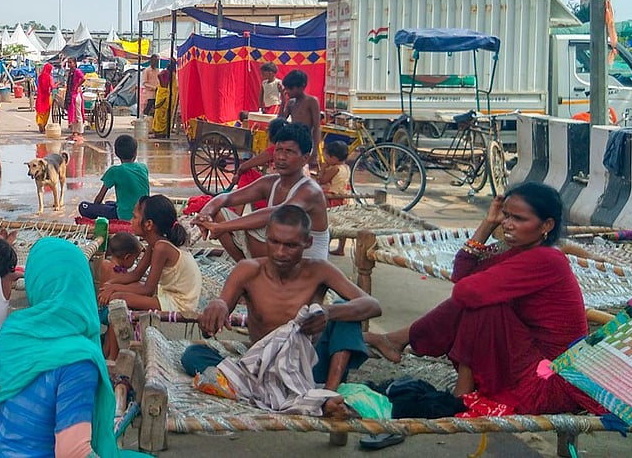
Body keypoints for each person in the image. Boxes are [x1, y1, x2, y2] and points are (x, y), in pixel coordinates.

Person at [363, 183, 604, 415]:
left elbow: (466, 292)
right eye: (506, 215)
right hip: (529, 360)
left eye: (518, 219)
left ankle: (456, 388)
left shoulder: (547, 259)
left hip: (550, 378)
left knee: (483, 302)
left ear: (547, 225)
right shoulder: (520, 250)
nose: (507, 224)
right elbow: (462, 274)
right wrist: (488, 224)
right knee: (482, 298)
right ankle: (401, 342)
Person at [182, 205, 380, 395]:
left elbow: (372, 305)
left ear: (308, 243)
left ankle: (329, 393)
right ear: (266, 237)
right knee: (193, 355)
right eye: (274, 242)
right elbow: (220, 310)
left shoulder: (319, 270)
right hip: (264, 365)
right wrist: (216, 308)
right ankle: (266, 387)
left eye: (290, 245)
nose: (280, 252)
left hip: (311, 367)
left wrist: (328, 312)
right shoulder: (248, 270)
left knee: (346, 311)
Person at [0, 238, 149, 458]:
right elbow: (73, 451)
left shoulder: (14, 334)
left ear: (36, 283)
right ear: (83, 284)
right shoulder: (78, 357)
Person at [193, 123, 332, 262]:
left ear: (305, 158)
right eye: (278, 150)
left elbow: (277, 213)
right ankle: (245, 266)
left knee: (257, 226)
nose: (281, 157)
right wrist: (205, 215)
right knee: (218, 212)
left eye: (289, 152)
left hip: (305, 265)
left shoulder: (310, 190)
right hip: (279, 259)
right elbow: (226, 198)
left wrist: (221, 227)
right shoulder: (270, 182)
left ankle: (255, 269)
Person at [99, 195, 202, 316]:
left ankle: (111, 327)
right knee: (119, 290)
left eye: (135, 217)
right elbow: (135, 274)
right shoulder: (154, 244)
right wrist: (109, 284)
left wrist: (115, 289)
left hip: (180, 304)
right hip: (167, 295)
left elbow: (148, 290)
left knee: (117, 298)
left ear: (148, 224)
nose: (131, 221)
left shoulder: (161, 248)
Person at [78, 134, 149, 221]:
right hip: (143, 214)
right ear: (135, 153)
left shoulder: (114, 171)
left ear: (116, 153)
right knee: (110, 203)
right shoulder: (143, 167)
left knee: (83, 206)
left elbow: (99, 198)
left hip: (123, 215)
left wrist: (96, 208)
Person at [277, 69, 320, 165]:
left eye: (290, 89)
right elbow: (280, 121)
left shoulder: (311, 101)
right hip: (293, 142)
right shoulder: (291, 103)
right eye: (286, 89)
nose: (287, 91)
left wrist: (315, 152)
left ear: (302, 87)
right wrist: (283, 101)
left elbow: (317, 127)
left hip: (306, 142)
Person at [150, 61, 177, 137]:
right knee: (161, 113)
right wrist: (163, 84)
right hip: (164, 94)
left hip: (165, 94)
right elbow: (160, 75)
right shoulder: (166, 72)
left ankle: (162, 131)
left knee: (164, 113)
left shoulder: (172, 74)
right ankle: (159, 131)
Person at [34, 61, 55, 133]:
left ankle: (40, 122)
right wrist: (57, 84)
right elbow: (52, 86)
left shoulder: (40, 77)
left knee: (39, 111)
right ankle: (43, 124)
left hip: (40, 95)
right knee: (46, 111)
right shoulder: (49, 77)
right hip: (47, 96)